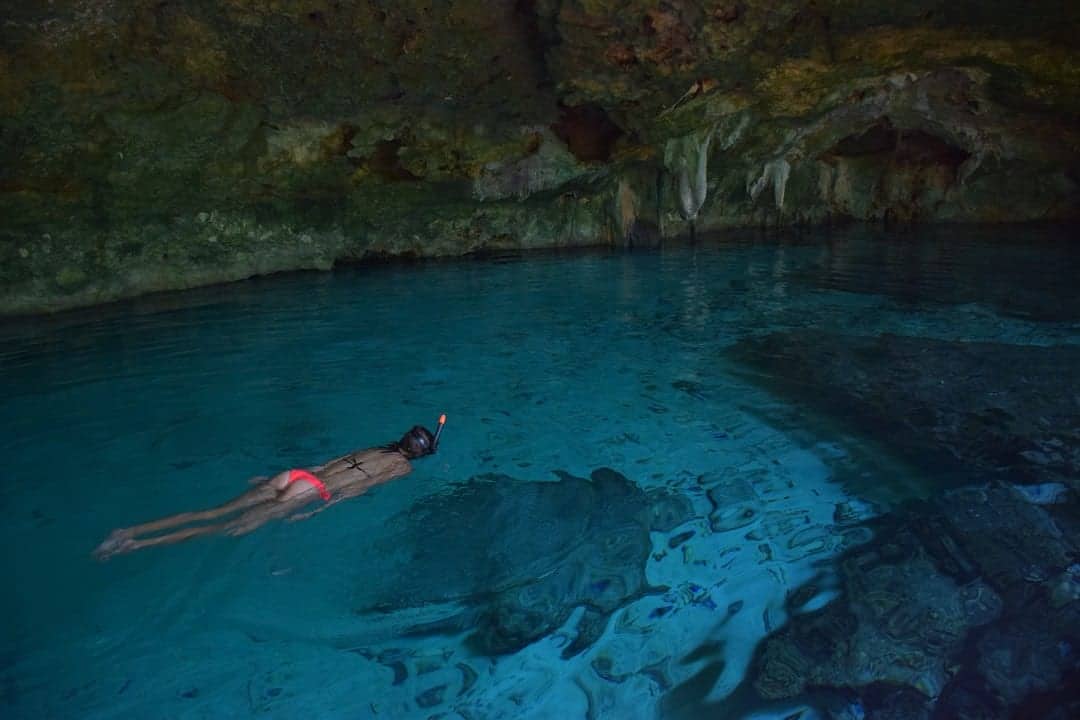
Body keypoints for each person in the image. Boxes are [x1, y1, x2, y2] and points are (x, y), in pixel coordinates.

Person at [93, 416, 446, 560]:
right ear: (420, 455)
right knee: (226, 529)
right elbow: (355, 489)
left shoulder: (376, 447)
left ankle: (128, 530)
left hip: (295, 475)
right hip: (311, 492)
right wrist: (318, 511)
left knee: (213, 511)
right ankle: (134, 545)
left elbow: (324, 466)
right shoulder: (400, 468)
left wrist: (270, 482)